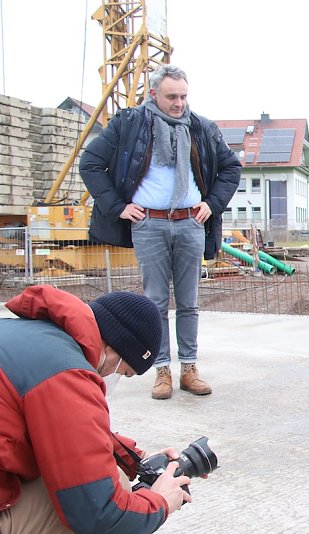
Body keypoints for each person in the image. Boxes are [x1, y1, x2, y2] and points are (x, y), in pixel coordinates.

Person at [0, 286, 193, 534]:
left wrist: (137, 459)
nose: (115, 379)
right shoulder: (68, 374)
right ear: (115, 347)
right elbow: (98, 510)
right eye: (125, 372)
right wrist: (160, 502)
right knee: (99, 492)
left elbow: (63, 428)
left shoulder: (26, 336)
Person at [80, 64, 241, 400]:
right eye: (172, 96)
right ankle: (162, 370)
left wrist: (213, 203)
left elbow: (230, 167)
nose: (179, 103)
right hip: (148, 223)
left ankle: (190, 368)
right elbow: (91, 163)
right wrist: (118, 207)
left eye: (183, 96)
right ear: (153, 94)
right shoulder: (129, 123)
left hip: (191, 222)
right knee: (155, 302)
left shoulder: (201, 128)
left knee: (189, 302)